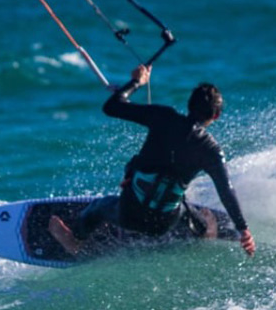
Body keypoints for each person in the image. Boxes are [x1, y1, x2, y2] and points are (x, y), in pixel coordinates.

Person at [49, 64, 255, 257]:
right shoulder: (211, 150)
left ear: (189, 105)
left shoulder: (163, 117)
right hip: (164, 224)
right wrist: (243, 229)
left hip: (128, 214)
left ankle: (74, 240)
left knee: (99, 206)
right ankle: (204, 231)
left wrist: (136, 82)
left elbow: (112, 107)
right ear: (216, 115)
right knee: (182, 205)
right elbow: (226, 190)